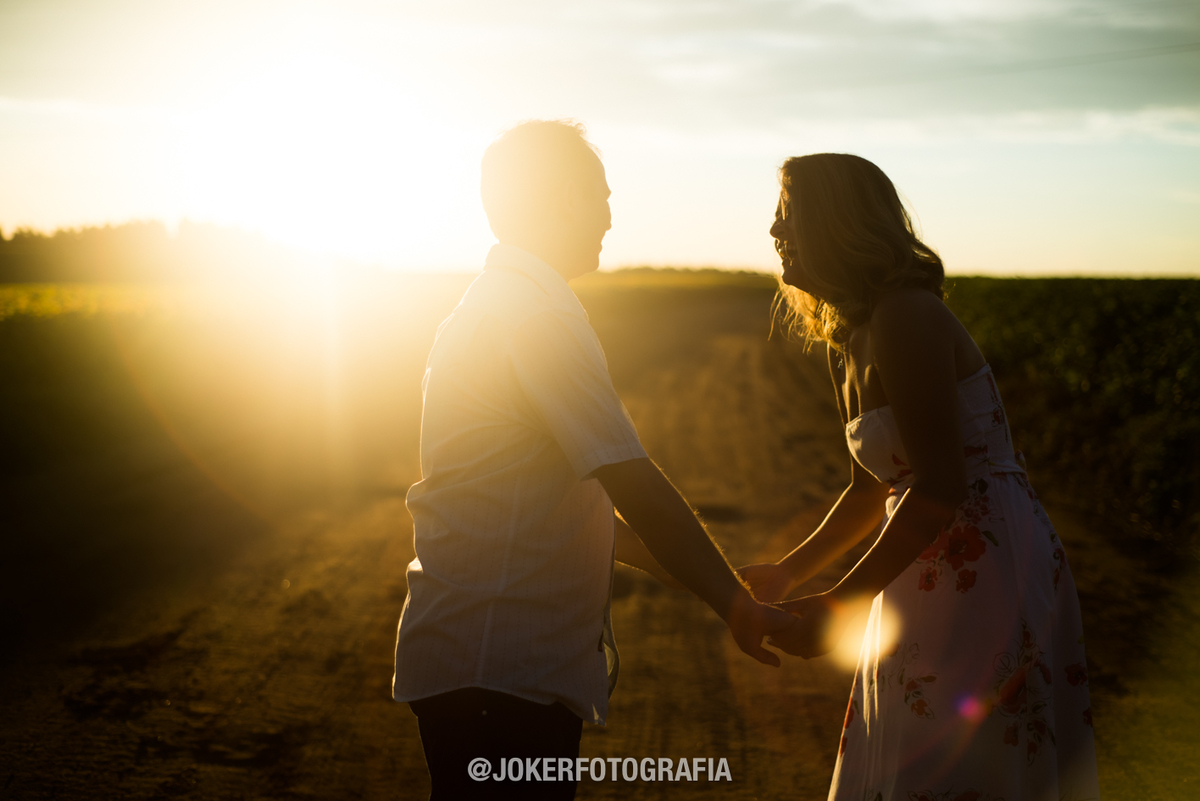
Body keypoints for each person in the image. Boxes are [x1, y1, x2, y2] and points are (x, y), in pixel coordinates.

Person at [392, 120, 798, 800]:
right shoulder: (538, 314)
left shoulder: (495, 302)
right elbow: (628, 476)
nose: (611, 216)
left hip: (479, 661)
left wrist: (689, 571)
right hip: (501, 667)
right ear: (558, 198)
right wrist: (731, 600)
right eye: (599, 196)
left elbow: (551, 497)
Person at [740, 153, 1100, 801]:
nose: (773, 229)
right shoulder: (848, 337)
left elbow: (938, 487)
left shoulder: (907, 314)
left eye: (789, 212)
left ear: (839, 222)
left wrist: (838, 606)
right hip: (919, 559)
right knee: (914, 747)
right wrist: (786, 572)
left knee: (959, 762)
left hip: (983, 561)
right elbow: (869, 488)